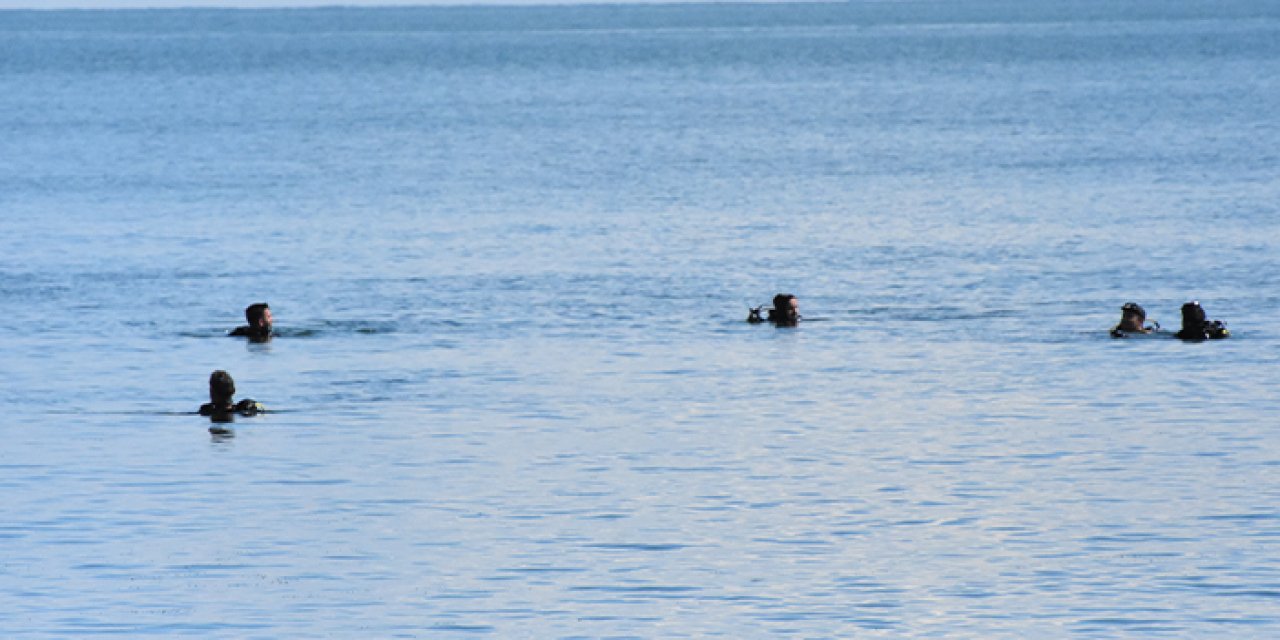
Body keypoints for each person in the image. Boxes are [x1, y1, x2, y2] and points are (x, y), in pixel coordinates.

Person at [199, 370, 264, 421]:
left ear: (212, 392)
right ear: (233, 390)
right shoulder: (246, 407)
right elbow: (262, 408)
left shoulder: (206, 410)